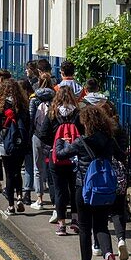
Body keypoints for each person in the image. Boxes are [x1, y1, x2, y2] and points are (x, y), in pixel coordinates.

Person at [55, 103, 125, 260]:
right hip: (104, 188)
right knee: (101, 225)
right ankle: (108, 253)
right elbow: (121, 155)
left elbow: (61, 155)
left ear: (86, 123)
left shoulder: (82, 142)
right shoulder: (109, 140)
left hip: (84, 188)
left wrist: (60, 141)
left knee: (85, 227)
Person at [0, 78, 31, 215]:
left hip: (5, 142)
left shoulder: (1, 106)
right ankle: (20, 197)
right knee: (17, 172)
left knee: (9, 174)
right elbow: (28, 124)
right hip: (20, 143)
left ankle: (11, 206)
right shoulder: (22, 105)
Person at [46, 86, 81, 233]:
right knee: (75, 189)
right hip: (74, 158)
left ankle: (61, 225)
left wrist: (54, 144)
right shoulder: (78, 114)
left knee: (60, 191)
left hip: (57, 157)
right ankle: (75, 220)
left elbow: (42, 133)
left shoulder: (53, 113)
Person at [101, 99, 131, 260]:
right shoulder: (120, 128)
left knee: (100, 211)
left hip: (102, 175)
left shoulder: (99, 131)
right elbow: (123, 151)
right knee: (119, 210)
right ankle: (121, 240)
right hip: (119, 174)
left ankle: (99, 247)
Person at [22, 74, 55, 209]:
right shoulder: (55, 97)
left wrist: (28, 138)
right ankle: (54, 199)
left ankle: (39, 199)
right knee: (52, 167)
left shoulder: (34, 98)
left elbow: (30, 119)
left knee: (37, 167)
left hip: (37, 136)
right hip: (52, 137)